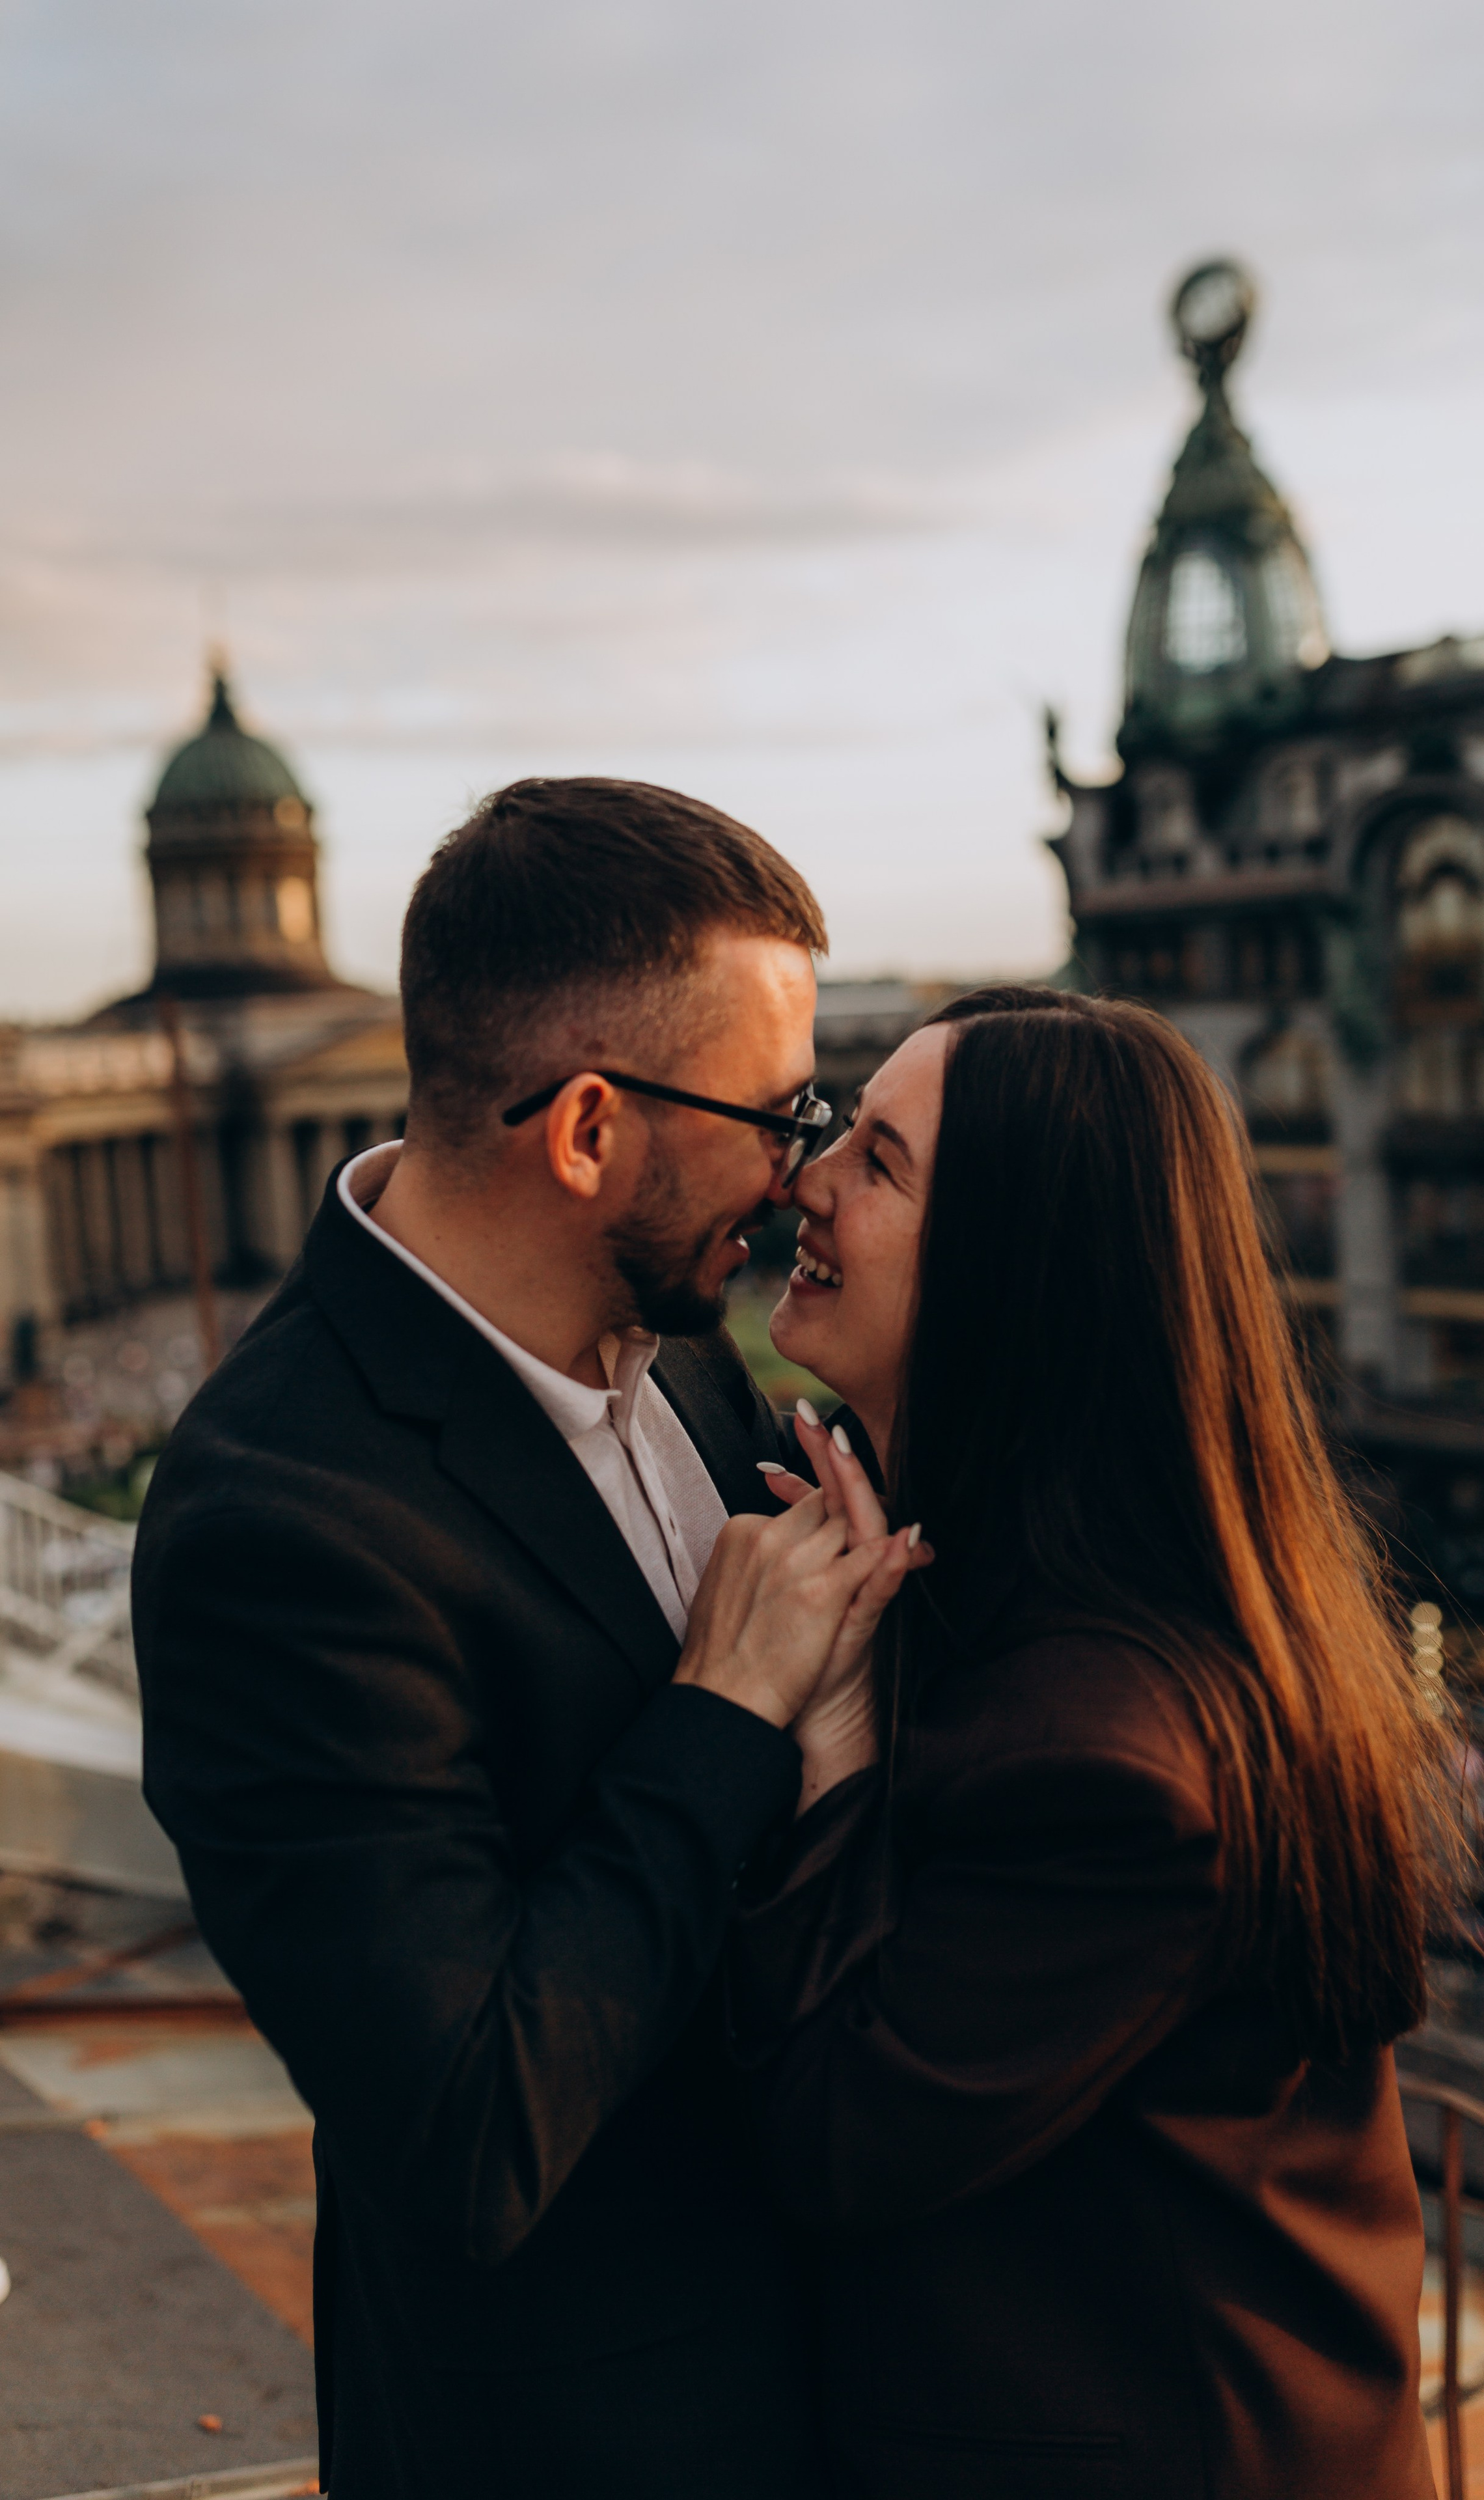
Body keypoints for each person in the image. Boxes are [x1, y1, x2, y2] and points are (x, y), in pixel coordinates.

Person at [133, 778, 918, 2500]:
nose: (796, 1172)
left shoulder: (685, 1336)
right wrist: (723, 1712)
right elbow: (469, 2125)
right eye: (779, 1112)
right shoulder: (281, 1525)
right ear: (585, 1131)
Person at [719, 986, 1447, 2500]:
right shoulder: (1018, 1610)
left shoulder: (1107, 1756)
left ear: (1015, 1270)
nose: (806, 1178)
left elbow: (836, 2144)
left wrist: (831, 1742)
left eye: (881, 1160)